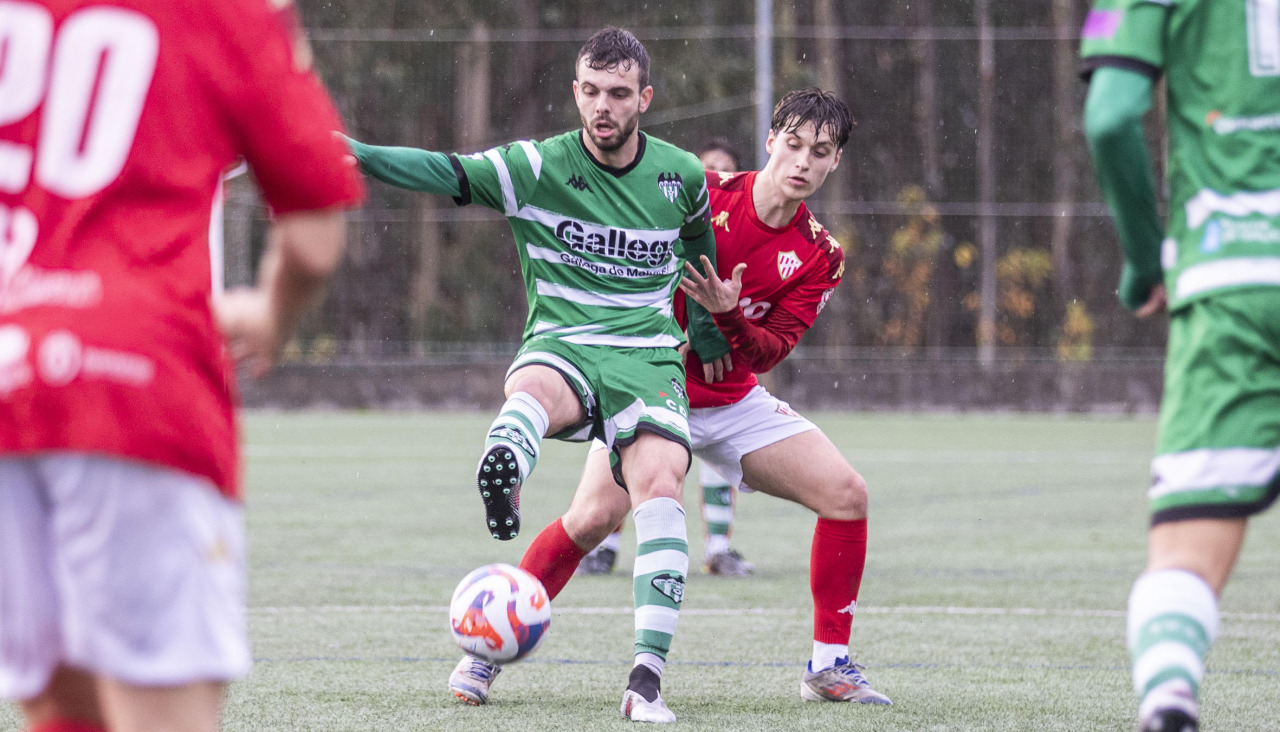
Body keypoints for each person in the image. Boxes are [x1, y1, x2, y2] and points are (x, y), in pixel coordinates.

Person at [452, 87, 892, 713]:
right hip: (649, 389)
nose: (802, 161)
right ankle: (482, 653)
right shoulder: (701, 191)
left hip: (733, 401)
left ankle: (828, 665)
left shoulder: (821, 254)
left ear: (834, 162)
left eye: (819, 152)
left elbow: (767, 353)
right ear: (770, 140)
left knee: (847, 496)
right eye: (792, 144)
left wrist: (726, 315)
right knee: (590, 521)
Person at [343, 28, 727, 723]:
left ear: (644, 97)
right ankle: (506, 469)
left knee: (654, 487)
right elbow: (446, 171)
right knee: (533, 393)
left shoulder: (682, 176)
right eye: (590, 92)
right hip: (565, 343)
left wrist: (705, 330)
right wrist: (356, 153)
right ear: (575, 92)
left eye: (618, 94)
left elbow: (699, 260)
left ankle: (644, 679)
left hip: (646, 358)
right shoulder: (538, 166)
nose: (602, 107)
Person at [0, 1, 364, 731]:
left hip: (10, 384)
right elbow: (313, 237)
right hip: (134, 386)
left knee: (63, 712)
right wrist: (270, 317)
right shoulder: (220, 11)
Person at [1081, 2, 1280, 730]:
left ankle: (1168, 694)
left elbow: (1110, 117)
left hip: (1234, 278)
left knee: (1186, 552)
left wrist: (1146, 255)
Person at [579, 136, 756, 578]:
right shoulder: (657, 216)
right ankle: (602, 546)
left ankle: (718, 549)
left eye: (724, 168)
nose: (715, 175)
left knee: (718, 449)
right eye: (706, 166)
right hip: (652, 359)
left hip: (712, 369)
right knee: (625, 454)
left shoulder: (736, 231)